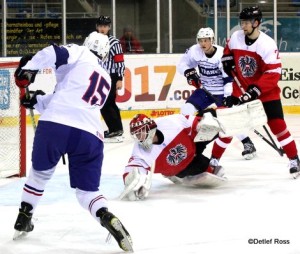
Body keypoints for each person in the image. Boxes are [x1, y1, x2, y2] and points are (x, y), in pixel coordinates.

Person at [13, 32, 133, 252]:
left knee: (40, 174)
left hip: (55, 126)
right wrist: (36, 99)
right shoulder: (105, 77)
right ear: (105, 54)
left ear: (87, 44)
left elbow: (52, 52)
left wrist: (29, 68)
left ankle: (24, 215)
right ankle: (105, 215)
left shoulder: (80, 52)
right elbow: (68, 98)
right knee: (87, 192)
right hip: (90, 135)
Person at [221, 6, 300, 177]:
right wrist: (227, 58)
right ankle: (213, 161)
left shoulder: (267, 44)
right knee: (230, 125)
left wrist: (256, 89)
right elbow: (228, 48)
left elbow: (273, 72)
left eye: (247, 22)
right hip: (241, 89)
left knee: (278, 126)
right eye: (242, 22)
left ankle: (294, 159)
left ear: (256, 23)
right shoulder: (236, 37)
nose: (243, 26)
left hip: (266, 93)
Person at [177, 27, 257, 160]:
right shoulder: (194, 51)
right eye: (200, 40)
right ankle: (184, 141)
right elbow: (182, 64)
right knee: (186, 111)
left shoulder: (221, 54)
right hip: (204, 90)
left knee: (228, 119)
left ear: (212, 40)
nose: (203, 43)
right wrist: (189, 72)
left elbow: (228, 79)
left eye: (206, 40)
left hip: (221, 91)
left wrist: (227, 97)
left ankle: (247, 142)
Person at [120, 112, 226, 201]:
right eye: (136, 135)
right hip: (181, 167)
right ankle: (203, 168)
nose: (138, 138)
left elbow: (192, 122)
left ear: (150, 128)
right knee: (209, 170)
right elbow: (132, 168)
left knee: (216, 129)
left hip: (193, 145)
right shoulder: (140, 151)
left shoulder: (170, 123)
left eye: (140, 133)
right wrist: (131, 182)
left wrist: (203, 122)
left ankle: (215, 159)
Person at [96, 15, 125, 141]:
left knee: (106, 103)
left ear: (109, 27)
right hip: (100, 76)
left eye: (105, 26)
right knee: (109, 103)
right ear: (97, 27)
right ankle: (116, 129)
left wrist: (119, 78)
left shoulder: (114, 42)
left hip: (111, 77)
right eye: (101, 26)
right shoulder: (94, 41)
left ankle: (116, 129)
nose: (103, 28)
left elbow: (119, 60)